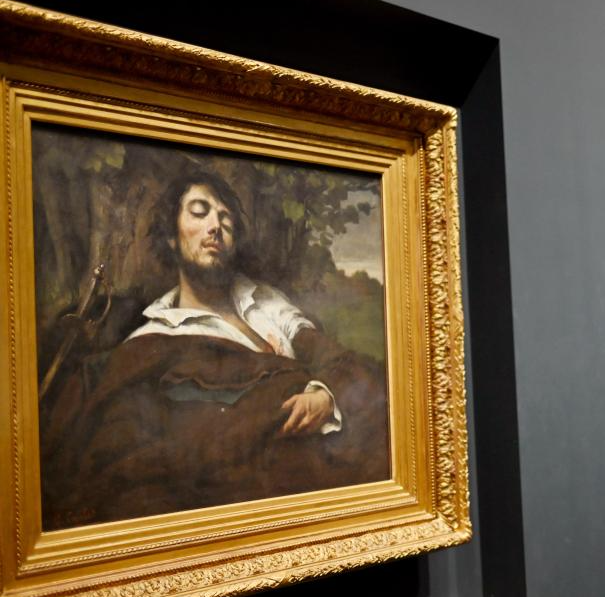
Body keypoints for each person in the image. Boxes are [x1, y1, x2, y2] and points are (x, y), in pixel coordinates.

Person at [40, 171, 389, 529]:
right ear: (172, 237)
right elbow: (184, 444)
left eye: (225, 219)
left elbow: (337, 360)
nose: (215, 227)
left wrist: (324, 394)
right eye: (199, 212)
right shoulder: (154, 337)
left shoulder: (266, 302)